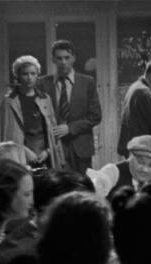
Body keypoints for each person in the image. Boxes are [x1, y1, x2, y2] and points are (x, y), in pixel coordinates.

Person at [37, 39, 102, 174]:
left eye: (67, 57)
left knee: (80, 188)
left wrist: (70, 128)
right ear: (53, 60)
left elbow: (95, 116)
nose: (63, 62)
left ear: (74, 58)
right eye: (59, 58)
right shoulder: (43, 83)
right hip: (53, 147)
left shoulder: (87, 82)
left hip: (80, 147)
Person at [0, 56, 64, 169]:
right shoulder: (9, 102)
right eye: (25, 74)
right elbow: (5, 135)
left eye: (33, 73)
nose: (29, 78)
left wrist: (47, 151)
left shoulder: (45, 99)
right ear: (17, 76)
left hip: (44, 157)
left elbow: (52, 131)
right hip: (19, 158)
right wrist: (25, 151)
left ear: (37, 75)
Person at [89, 134, 151, 199]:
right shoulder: (114, 171)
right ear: (130, 157)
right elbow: (98, 183)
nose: (145, 169)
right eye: (140, 162)